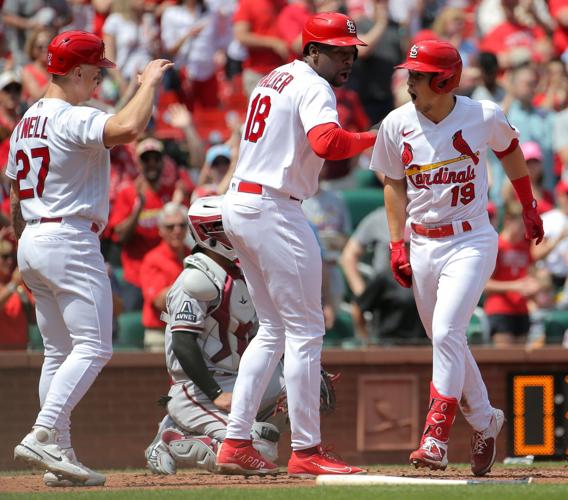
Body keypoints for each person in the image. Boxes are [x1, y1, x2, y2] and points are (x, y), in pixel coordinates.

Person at [369, 39, 544, 476]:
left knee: (447, 330)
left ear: (444, 79)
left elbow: (510, 151)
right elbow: (393, 183)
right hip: (424, 242)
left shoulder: (483, 114)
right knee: (447, 340)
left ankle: (436, 435)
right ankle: (485, 420)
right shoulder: (396, 123)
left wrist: (528, 205)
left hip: (471, 239)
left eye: (417, 75)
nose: (409, 81)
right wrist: (396, 243)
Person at [7, 30, 173, 486]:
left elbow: (13, 193)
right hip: (68, 236)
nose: (100, 80)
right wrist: (148, 85)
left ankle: (58, 452)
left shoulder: (25, 122)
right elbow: (128, 129)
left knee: (59, 352)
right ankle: (44, 433)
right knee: (95, 347)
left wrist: (28, 249)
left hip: (34, 236)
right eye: (97, 71)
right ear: (77, 71)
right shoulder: (68, 116)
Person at [219, 12, 376, 477]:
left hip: (243, 203)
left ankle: (235, 441)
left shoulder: (274, 77)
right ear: (311, 51)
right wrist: (377, 136)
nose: (347, 58)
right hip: (273, 208)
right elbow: (326, 142)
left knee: (272, 331)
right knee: (306, 331)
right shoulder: (313, 84)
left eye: (350, 50)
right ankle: (307, 449)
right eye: (336, 50)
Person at [144, 196, 287, 475]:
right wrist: (217, 393)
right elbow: (183, 344)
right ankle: (171, 440)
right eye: (229, 227)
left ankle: (180, 427)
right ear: (208, 232)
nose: (238, 232)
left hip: (237, 378)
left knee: (296, 391)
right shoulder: (196, 279)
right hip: (199, 388)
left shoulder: (243, 271)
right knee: (255, 449)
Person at [140, 202, 193, 352]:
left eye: (182, 225)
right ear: (161, 230)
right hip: (161, 333)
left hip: (192, 330)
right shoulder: (152, 259)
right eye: (171, 226)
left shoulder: (195, 255)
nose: (177, 230)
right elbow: (160, 301)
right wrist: (192, 283)